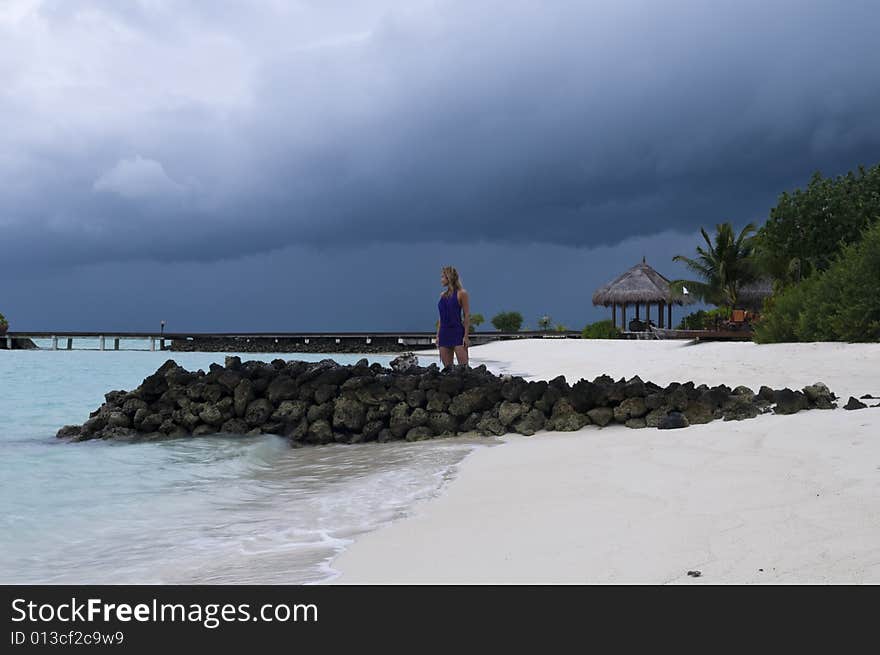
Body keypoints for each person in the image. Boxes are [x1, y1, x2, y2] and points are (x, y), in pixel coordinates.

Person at [436, 266, 470, 369]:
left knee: (464, 369)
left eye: (443, 277)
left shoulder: (462, 293)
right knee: (448, 370)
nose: (441, 279)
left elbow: (467, 315)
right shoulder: (442, 295)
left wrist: (466, 336)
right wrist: (437, 335)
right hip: (444, 334)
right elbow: (441, 317)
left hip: (457, 333)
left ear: (449, 278)